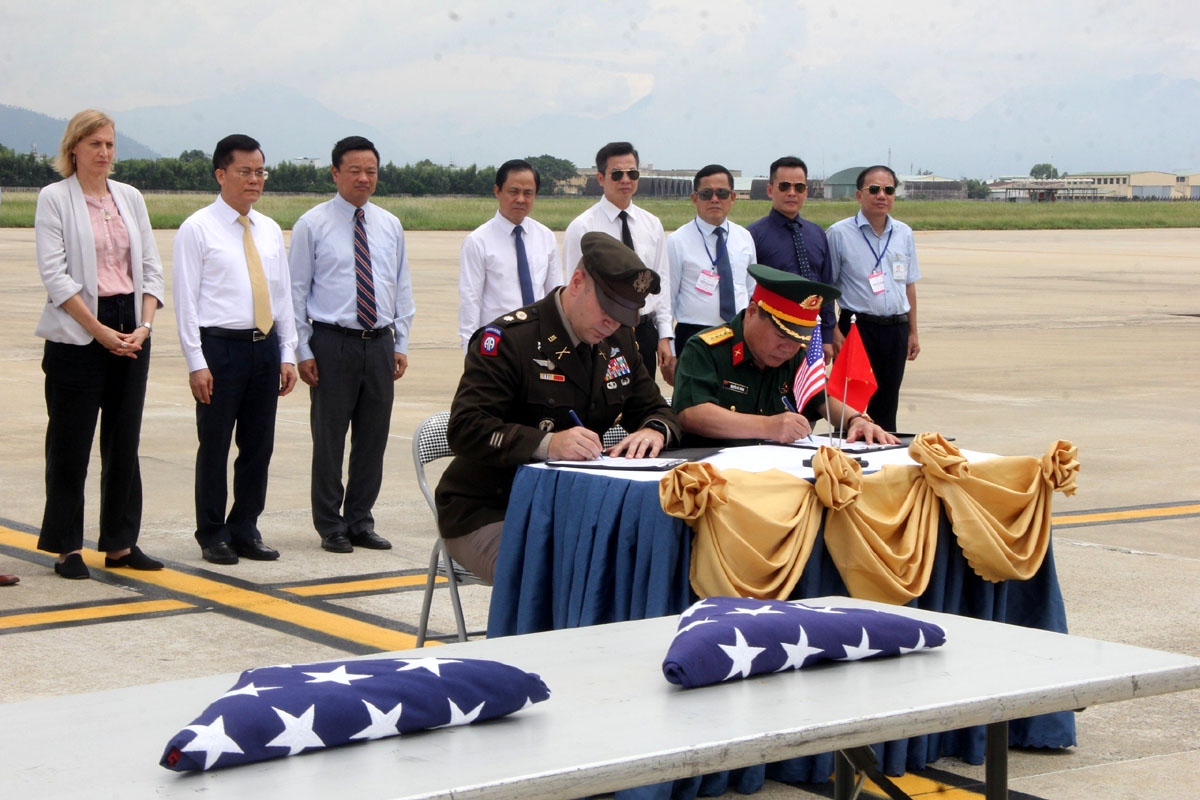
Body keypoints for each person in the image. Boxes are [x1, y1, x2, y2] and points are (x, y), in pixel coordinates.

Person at [435, 232, 681, 583]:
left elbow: (657, 408)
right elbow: (465, 428)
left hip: (571, 507)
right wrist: (547, 444)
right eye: (608, 309)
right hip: (490, 507)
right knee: (555, 578)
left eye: (624, 315)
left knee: (641, 563)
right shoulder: (509, 340)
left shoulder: (618, 339)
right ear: (578, 282)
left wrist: (653, 430)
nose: (614, 322)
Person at [34, 109, 165, 580]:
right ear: (74, 149)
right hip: (78, 331)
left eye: (110, 144)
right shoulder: (55, 199)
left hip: (130, 327)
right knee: (70, 443)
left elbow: (150, 268)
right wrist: (98, 330)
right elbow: (55, 274)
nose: (105, 153)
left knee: (124, 441)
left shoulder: (129, 197)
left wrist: (144, 327)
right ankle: (67, 547)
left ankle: (120, 543)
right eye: (95, 145)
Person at [173, 134, 298, 566]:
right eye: (244, 171)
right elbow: (186, 303)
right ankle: (212, 532)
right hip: (219, 349)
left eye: (260, 171)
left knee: (258, 446)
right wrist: (196, 361)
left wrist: (287, 353)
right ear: (220, 174)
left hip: (264, 348)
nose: (254, 179)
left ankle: (246, 526)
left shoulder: (266, 229)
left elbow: (281, 298)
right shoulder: (197, 229)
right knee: (215, 444)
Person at [289, 136, 414, 554]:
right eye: (355, 170)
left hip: (378, 342)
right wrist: (303, 350)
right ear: (335, 173)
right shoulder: (313, 224)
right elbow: (295, 292)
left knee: (372, 439)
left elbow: (401, 287)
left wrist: (401, 341)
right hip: (332, 342)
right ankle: (330, 524)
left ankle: (360, 519)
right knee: (329, 439)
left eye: (371, 171)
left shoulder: (389, 225)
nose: (364, 178)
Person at [672, 263, 897, 447]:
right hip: (712, 473)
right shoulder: (706, 348)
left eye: (799, 339)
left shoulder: (794, 356)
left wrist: (856, 420)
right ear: (752, 312)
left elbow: (824, 397)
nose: (789, 348)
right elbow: (692, 414)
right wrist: (767, 426)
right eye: (782, 336)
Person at [561, 142, 674, 383]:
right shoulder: (582, 227)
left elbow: (662, 285)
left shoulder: (652, 224)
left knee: (642, 401)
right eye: (617, 174)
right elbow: (573, 289)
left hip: (643, 329)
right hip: (602, 331)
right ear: (601, 178)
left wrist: (664, 335)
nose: (625, 180)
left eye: (632, 173)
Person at [826, 165, 921, 432]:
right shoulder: (839, 234)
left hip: (896, 329)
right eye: (874, 189)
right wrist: (832, 331)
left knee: (887, 404)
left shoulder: (904, 233)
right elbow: (826, 288)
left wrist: (913, 332)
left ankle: (885, 462)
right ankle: (847, 463)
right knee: (852, 404)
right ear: (859, 195)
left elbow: (909, 285)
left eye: (888, 190)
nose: (882, 195)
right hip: (857, 329)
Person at [458, 159, 561, 349]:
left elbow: (555, 295)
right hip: (498, 342)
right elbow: (471, 300)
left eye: (528, 193)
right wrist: (469, 349)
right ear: (497, 191)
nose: (521, 199)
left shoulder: (546, 237)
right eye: (514, 191)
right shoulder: (478, 241)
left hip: (540, 342)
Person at [747, 156, 836, 361]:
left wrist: (829, 335)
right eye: (785, 186)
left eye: (799, 187)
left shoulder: (817, 234)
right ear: (770, 190)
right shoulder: (753, 235)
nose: (792, 193)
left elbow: (825, 285)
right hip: (773, 336)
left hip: (813, 332)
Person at [667, 164, 756, 353]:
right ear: (694, 198)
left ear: (732, 197)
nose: (714, 199)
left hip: (738, 334)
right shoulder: (677, 241)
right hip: (693, 335)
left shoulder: (744, 238)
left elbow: (751, 291)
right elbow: (668, 298)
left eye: (722, 193)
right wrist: (670, 347)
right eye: (707, 193)